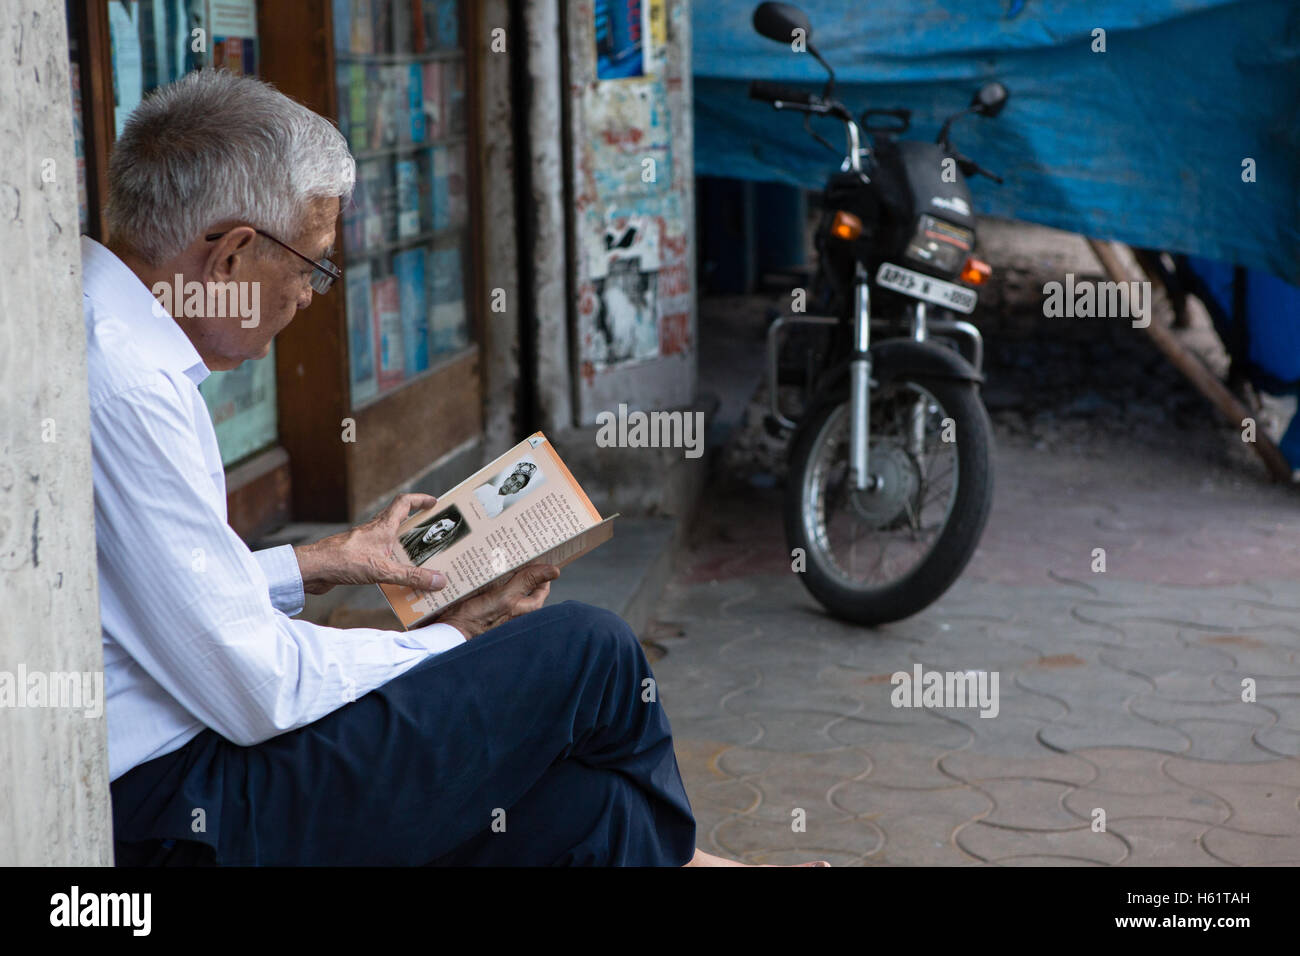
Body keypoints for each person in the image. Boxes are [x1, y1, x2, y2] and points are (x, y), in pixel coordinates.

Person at [92, 69, 826, 867]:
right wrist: (450, 640)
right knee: (589, 650)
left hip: (188, 771)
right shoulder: (128, 384)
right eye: (314, 267)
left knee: (591, 810)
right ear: (234, 254)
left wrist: (321, 562)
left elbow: (169, 592)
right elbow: (256, 687)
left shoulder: (111, 333)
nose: (309, 297)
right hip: (179, 810)